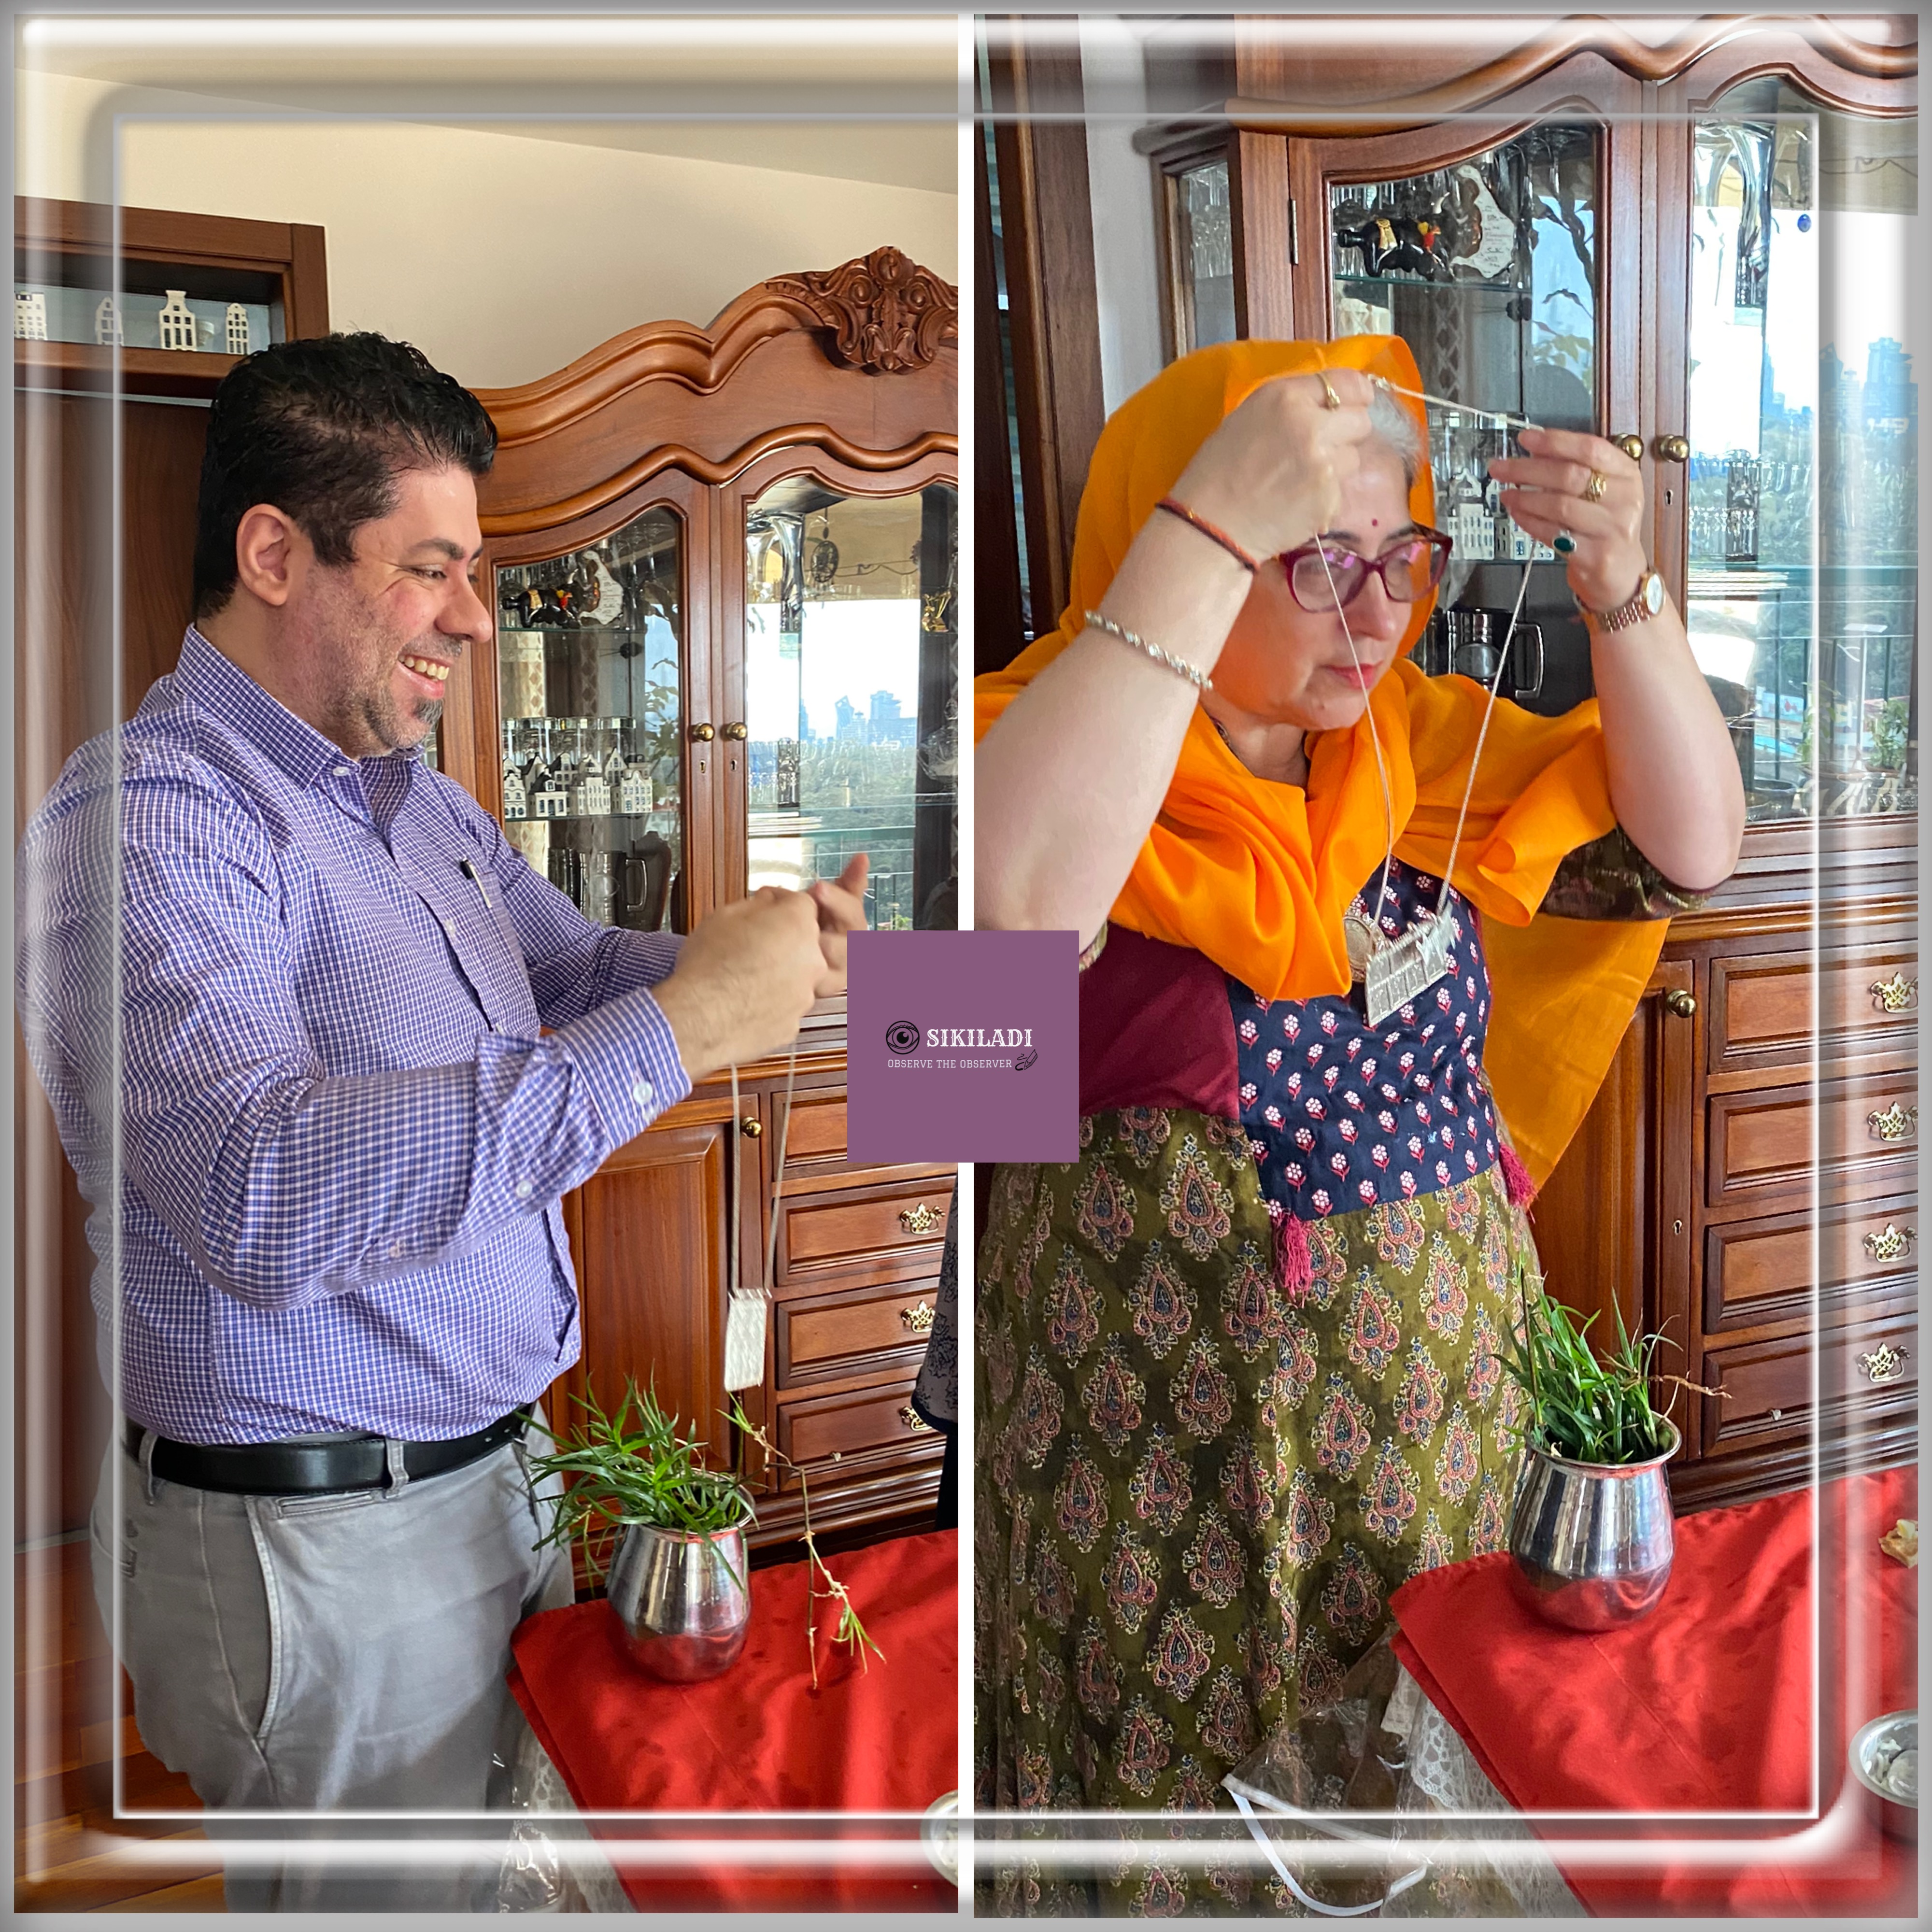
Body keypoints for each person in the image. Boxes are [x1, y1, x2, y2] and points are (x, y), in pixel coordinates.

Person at [14, 332, 868, 1912]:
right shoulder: (145, 822)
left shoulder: (421, 808)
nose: (475, 618)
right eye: (432, 571)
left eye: (472, 574)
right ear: (276, 555)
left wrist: (799, 968)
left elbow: (579, 972)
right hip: (321, 1540)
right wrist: (690, 1028)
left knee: (523, 1883)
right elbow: (258, 1188)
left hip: (495, 1476)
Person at [971, 334, 1743, 1914]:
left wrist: (1624, 588)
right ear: (1183, 535)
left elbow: (1697, 846)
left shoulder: (1418, 751)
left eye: (1402, 559)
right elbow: (993, 950)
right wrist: (1209, 529)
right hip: (1164, 1504)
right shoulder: (1019, 756)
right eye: (1318, 560)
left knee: (1428, 1818)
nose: (1380, 616)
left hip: (1449, 1446)